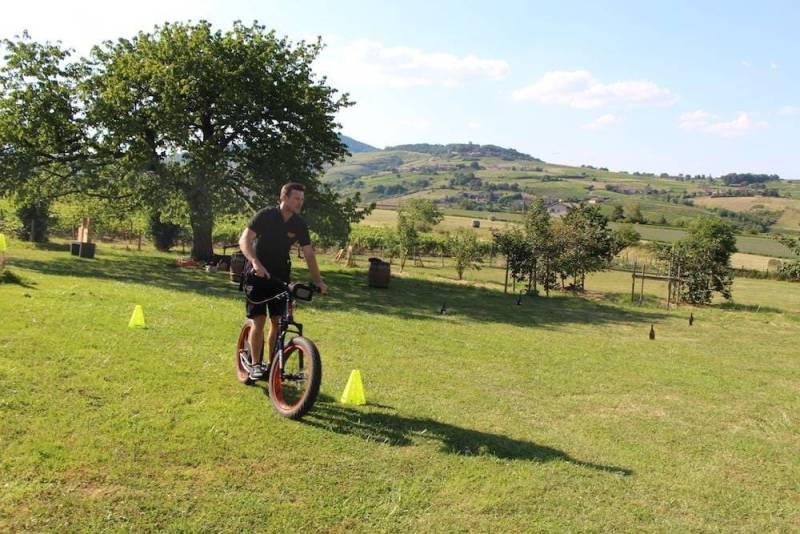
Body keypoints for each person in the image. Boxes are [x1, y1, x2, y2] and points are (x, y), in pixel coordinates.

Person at [238, 182, 328, 380]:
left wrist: (318, 280)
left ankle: (273, 367)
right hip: (257, 274)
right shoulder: (266, 215)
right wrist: (255, 262)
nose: (300, 203)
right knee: (259, 321)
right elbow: (244, 240)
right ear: (283, 198)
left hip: (279, 278)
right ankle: (254, 365)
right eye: (296, 198)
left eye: (302, 200)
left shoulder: (299, 224)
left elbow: (309, 254)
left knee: (278, 324)